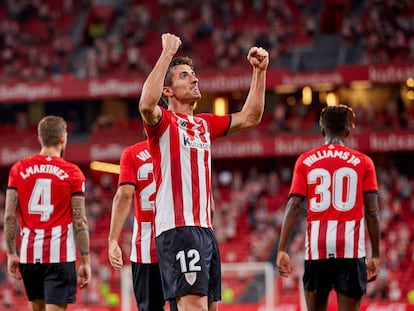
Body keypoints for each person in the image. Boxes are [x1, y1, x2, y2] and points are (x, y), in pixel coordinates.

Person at [138, 33, 269, 311]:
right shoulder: (163, 123)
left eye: (194, 74)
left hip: (205, 230)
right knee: (193, 307)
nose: (195, 79)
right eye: (185, 76)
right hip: (179, 229)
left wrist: (259, 72)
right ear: (168, 91)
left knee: (209, 307)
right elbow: (146, 105)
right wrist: (167, 54)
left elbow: (250, 116)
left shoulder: (204, 124)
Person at [276, 105, 380, 311]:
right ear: (348, 131)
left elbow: (294, 204)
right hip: (350, 249)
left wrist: (282, 248)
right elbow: (372, 212)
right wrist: (376, 254)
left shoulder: (305, 161)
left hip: (317, 248)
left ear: (322, 131)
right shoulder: (364, 162)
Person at [4, 115, 91, 311]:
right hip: (59, 257)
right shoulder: (73, 173)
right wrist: (85, 261)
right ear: (63, 139)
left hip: (29, 256)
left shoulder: (18, 169)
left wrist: (11, 253)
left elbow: (9, 215)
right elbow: (79, 221)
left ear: (39, 139)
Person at [108, 139, 176, 311]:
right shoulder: (180, 149)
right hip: (179, 241)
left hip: (146, 247)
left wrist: (113, 240)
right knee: (185, 306)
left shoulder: (132, 153)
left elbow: (124, 195)